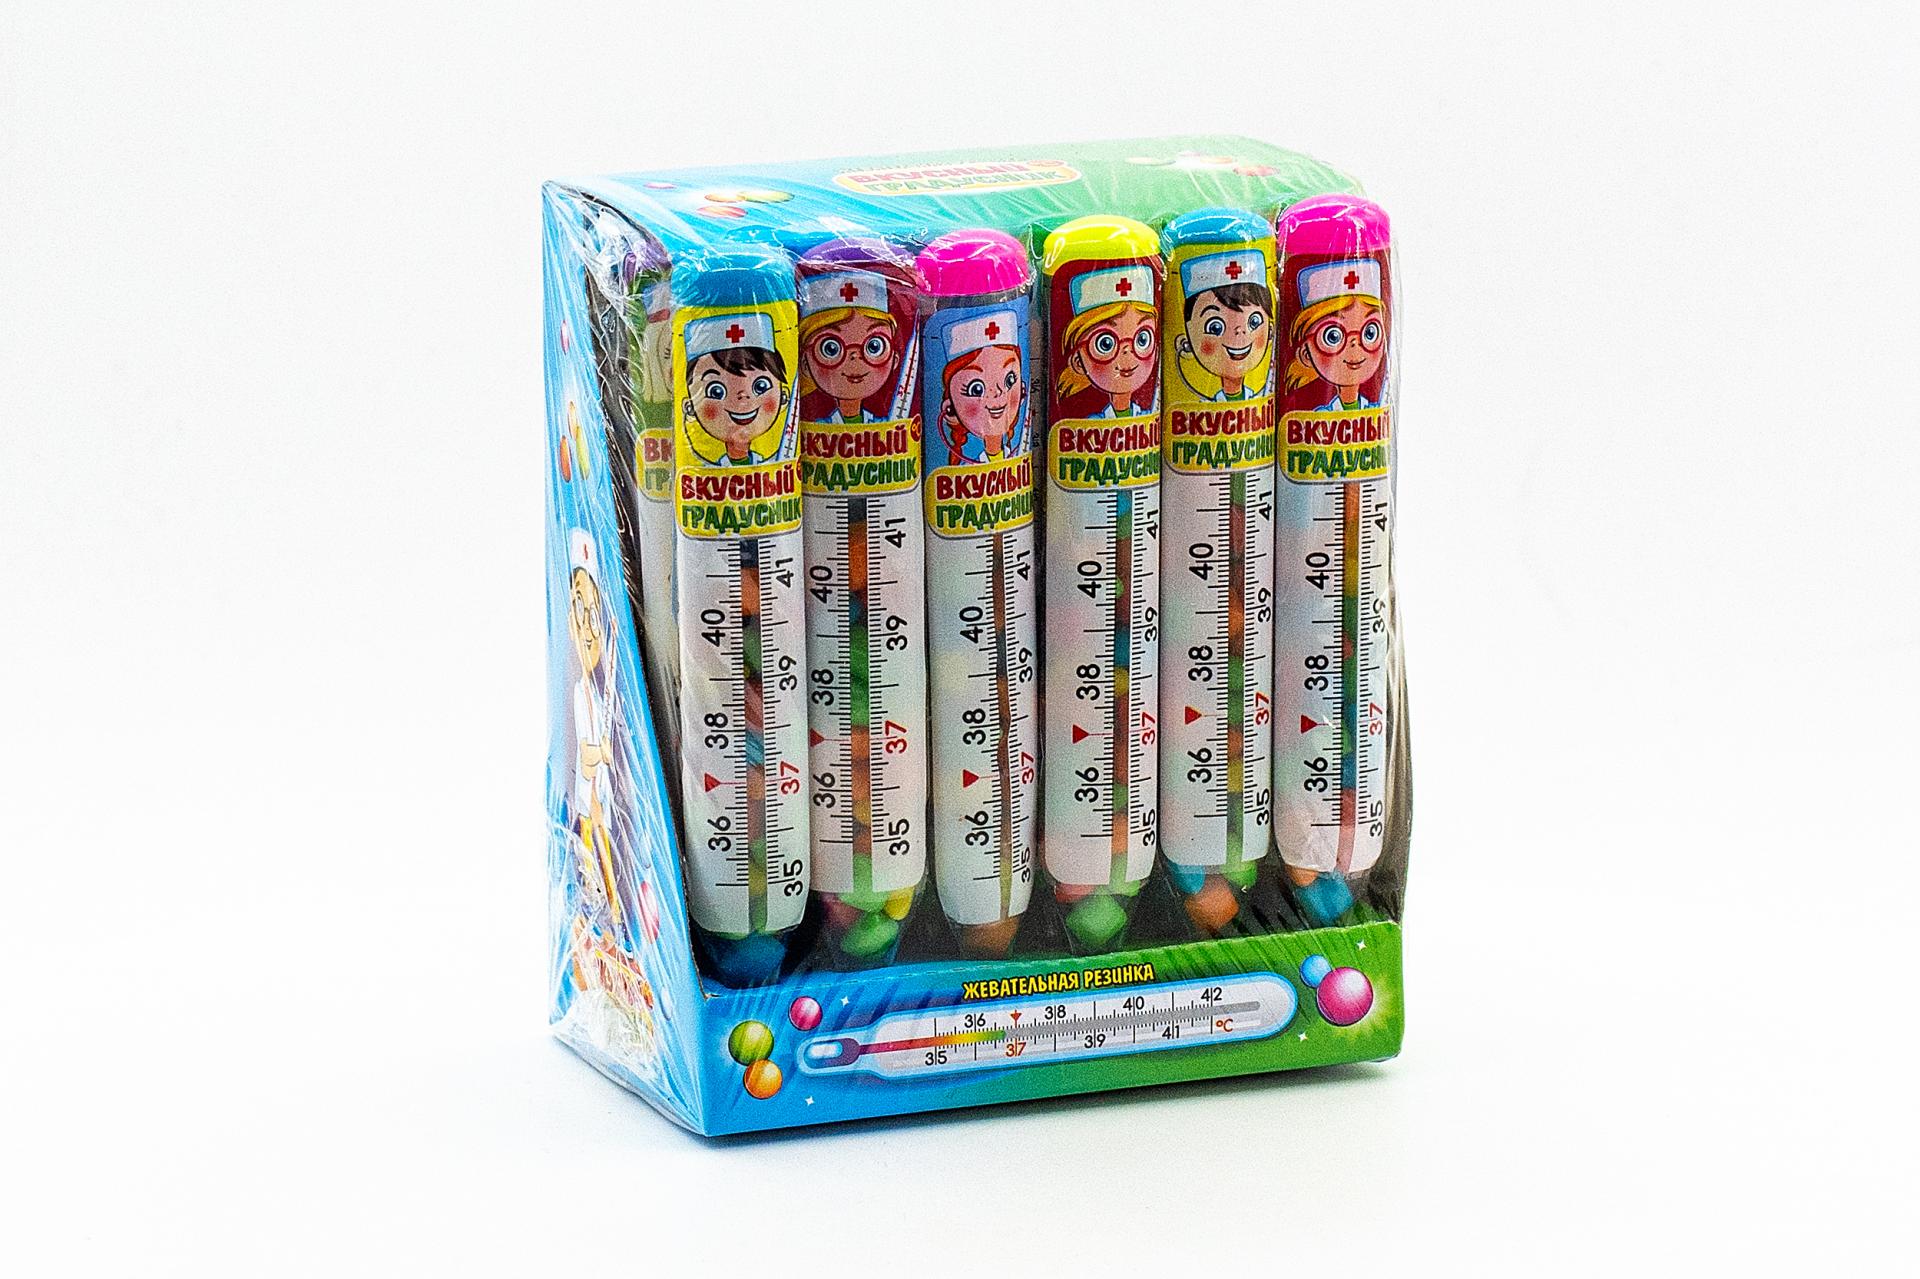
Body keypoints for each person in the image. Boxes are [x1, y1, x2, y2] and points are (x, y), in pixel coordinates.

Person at [679, 310, 790, 465]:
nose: (742, 396)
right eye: (716, 391)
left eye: (760, 386)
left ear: (784, 397)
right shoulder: (705, 466)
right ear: (690, 407)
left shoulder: (780, 457)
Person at [798, 269, 901, 424]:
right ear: (805, 364)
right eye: (831, 349)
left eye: (874, 346)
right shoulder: (819, 422)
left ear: (894, 359)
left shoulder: (881, 421)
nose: (855, 357)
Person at [1056, 263, 1158, 418]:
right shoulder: (1092, 421)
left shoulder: (1146, 412)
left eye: (1142, 339)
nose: (1127, 352)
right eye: (1105, 344)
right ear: (1078, 362)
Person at [1286, 258, 1387, 411]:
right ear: (1306, 354)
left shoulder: (1374, 408)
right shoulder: (1320, 414)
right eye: (1333, 336)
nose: (1354, 344)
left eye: (1370, 332)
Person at [1173, 248, 1272, 401]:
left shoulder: (1263, 392)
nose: (1239, 331)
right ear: (1187, 344)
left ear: (1270, 332)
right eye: (1215, 328)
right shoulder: (1200, 402)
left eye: (1254, 322)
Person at [936, 309, 1026, 463]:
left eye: (1010, 380)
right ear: (950, 410)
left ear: (1023, 392)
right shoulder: (963, 465)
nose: (998, 393)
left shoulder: (1018, 447)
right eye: (976, 389)